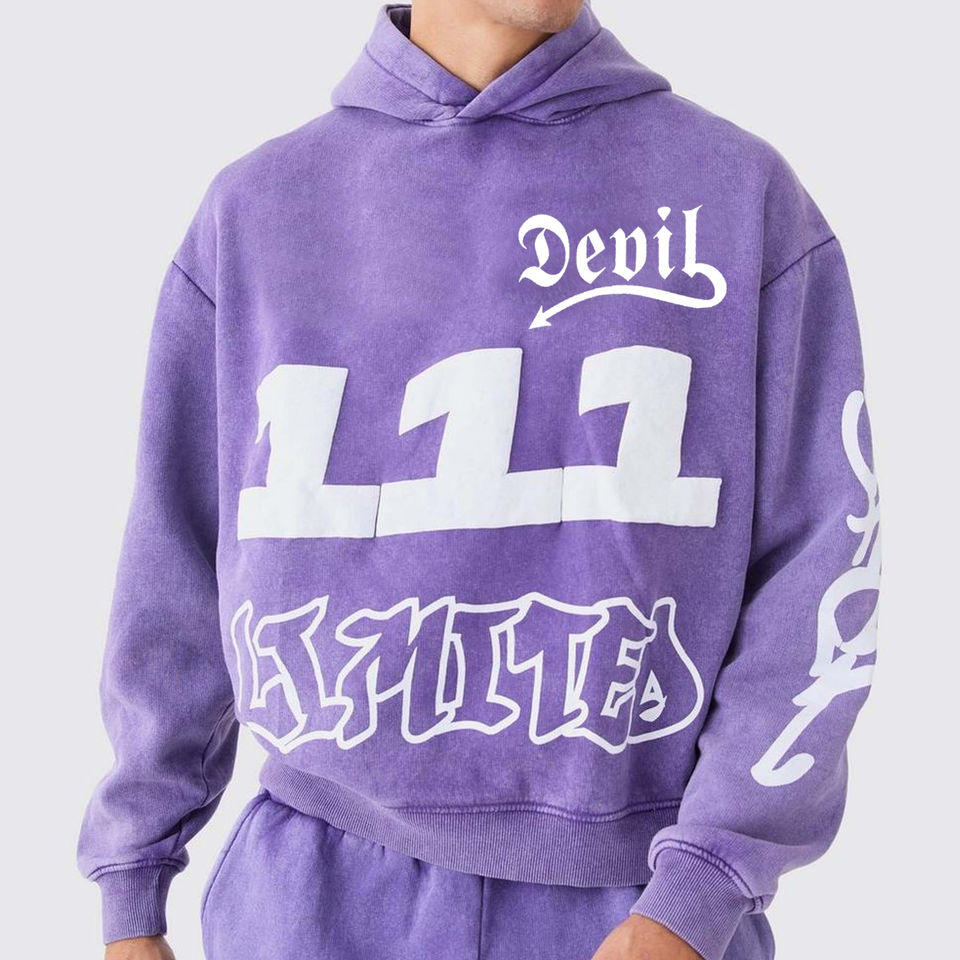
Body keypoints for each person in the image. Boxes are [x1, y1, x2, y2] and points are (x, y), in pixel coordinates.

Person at [77, 1, 881, 958]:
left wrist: (697, 893)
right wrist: (132, 889)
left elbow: (820, 568)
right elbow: (171, 564)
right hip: (306, 909)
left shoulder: (737, 197)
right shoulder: (255, 212)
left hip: (642, 915)